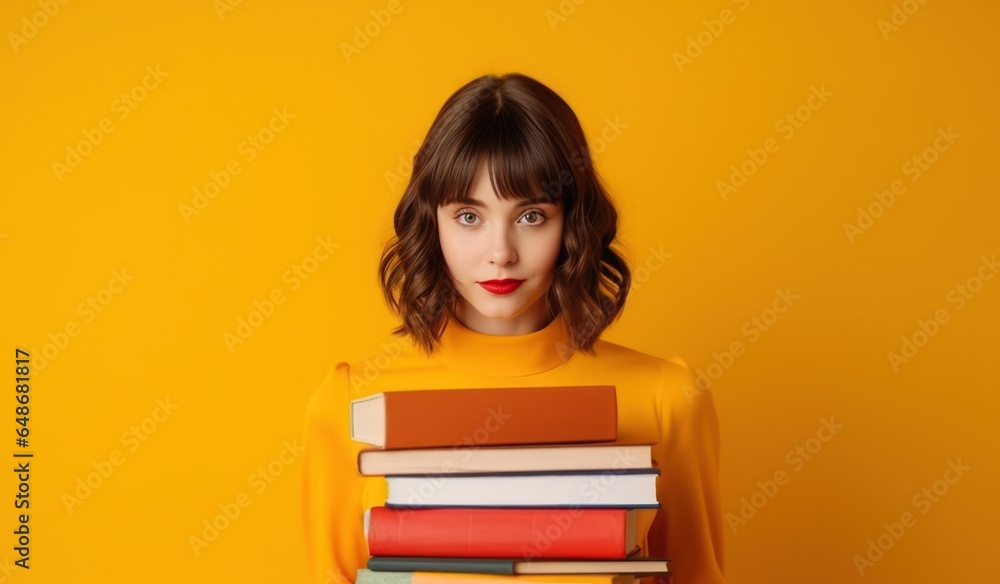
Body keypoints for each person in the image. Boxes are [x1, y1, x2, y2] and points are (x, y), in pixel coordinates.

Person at [301, 73, 726, 584]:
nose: (500, 253)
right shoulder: (350, 405)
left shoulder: (668, 399)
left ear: (572, 220)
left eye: (530, 216)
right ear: (430, 221)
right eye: (468, 216)